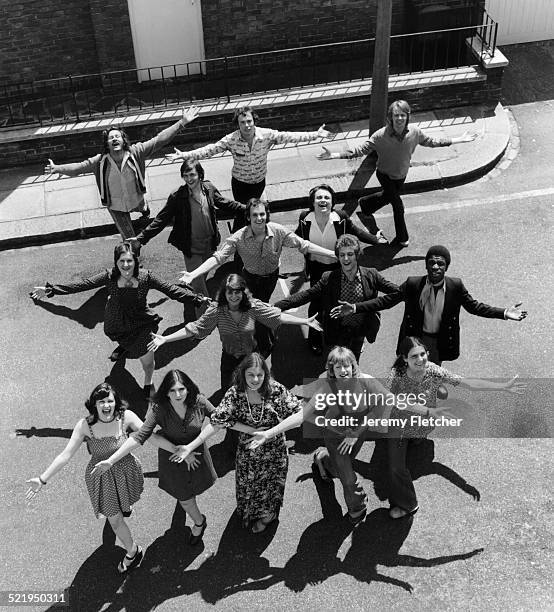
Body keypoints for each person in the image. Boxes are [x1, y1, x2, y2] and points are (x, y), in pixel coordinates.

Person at [248, 347, 442, 525]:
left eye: (346, 365)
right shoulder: (326, 387)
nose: (343, 370)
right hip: (335, 436)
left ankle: (323, 459)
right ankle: (357, 508)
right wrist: (268, 433)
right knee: (348, 478)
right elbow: (301, 416)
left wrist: (426, 412)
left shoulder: (366, 381)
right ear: (332, 369)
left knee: (342, 465)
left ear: (353, 365)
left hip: (357, 433)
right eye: (338, 366)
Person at [25, 382, 174, 573]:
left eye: (110, 401)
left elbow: (151, 437)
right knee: (115, 520)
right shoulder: (85, 426)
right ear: (94, 405)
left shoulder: (126, 417)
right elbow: (65, 455)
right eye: (101, 402)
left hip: (126, 472)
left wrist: (180, 450)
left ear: (116, 402)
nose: (106, 406)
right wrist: (42, 479)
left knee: (123, 507)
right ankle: (133, 551)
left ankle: (124, 509)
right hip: (101, 477)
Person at [30, 241, 208, 396]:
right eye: (121, 261)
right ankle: (123, 347)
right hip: (116, 320)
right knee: (121, 339)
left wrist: (198, 299)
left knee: (147, 360)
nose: (125, 265)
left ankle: (148, 382)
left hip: (140, 323)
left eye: (129, 260)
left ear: (135, 261)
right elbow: (83, 285)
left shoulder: (146, 277)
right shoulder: (109, 276)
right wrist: (51, 290)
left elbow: (171, 290)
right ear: (116, 262)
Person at [384, 336, 526, 519]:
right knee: (395, 467)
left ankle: (418, 435)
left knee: (419, 432)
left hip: (423, 423)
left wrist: (502, 386)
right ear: (404, 359)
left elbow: (469, 383)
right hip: (400, 423)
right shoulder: (397, 374)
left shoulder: (433, 370)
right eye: (414, 357)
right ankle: (408, 504)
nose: (420, 360)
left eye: (422, 354)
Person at [179, 199, 337, 356]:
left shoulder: (278, 231)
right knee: (255, 310)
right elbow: (218, 258)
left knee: (261, 307)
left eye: (262, 214)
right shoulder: (238, 238)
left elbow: (304, 245)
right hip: (250, 279)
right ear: (248, 217)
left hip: (270, 279)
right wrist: (194, 273)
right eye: (255, 215)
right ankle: (265, 341)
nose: (259, 218)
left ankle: (265, 334)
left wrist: (331, 253)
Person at [170, 353, 304, 533]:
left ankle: (268, 517)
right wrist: (190, 446)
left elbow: (300, 415)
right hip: (247, 452)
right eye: (251, 374)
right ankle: (251, 511)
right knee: (248, 485)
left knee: (271, 486)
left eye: (260, 375)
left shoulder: (276, 390)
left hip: (274, 451)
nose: (256, 379)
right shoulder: (235, 394)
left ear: (266, 374)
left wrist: (270, 433)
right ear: (243, 373)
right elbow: (217, 423)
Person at [335, 245, 528, 368]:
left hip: (438, 342)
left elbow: (476, 307)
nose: (435, 267)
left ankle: (424, 415)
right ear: (426, 266)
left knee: (431, 377)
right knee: (405, 373)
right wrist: (354, 307)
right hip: (415, 338)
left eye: (440, 264)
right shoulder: (413, 284)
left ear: (446, 267)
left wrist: (503, 312)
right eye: (431, 263)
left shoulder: (455, 286)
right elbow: (386, 301)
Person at [317, 99, 476, 247]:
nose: (399, 119)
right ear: (390, 118)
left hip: (401, 176)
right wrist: (334, 155)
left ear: (407, 117)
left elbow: (432, 142)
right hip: (385, 175)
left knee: (387, 196)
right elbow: (359, 150)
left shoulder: (415, 132)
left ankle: (365, 205)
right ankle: (402, 238)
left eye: (402, 115)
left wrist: (458, 140)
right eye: (396, 115)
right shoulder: (380, 136)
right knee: (398, 206)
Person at [91, 370, 222, 545]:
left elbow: (220, 419)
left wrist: (191, 446)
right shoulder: (159, 408)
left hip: (196, 455)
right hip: (173, 461)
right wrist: (111, 460)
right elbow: (140, 435)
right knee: (185, 499)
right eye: (172, 390)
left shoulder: (199, 401)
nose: (177, 395)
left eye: (181, 389)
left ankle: (188, 504)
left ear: (188, 389)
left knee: (192, 491)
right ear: (166, 392)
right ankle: (200, 522)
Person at [44, 106, 199, 239]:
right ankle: (134, 265)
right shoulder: (100, 162)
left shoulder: (136, 152)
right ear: (107, 144)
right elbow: (78, 168)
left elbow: (159, 140)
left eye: (117, 136)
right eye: (111, 138)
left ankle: (143, 209)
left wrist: (182, 123)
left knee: (141, 207)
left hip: (136, 198)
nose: (114, 139)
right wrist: (57, 168)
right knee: (130, 240)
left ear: (124, 140)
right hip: (116, 206)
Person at [148, 274, 322, 390]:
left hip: (251, 357)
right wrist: (165, 338)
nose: (234, 297)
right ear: (224, 293)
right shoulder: (216, 311)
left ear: (243, 293)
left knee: (255, 390)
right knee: (228, 391)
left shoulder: (253, 307)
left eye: (237, 293)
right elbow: (194, 328)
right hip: (230, 358)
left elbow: (277, 316)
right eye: (230, 293)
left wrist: (304, 321)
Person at [167, 105, 333, 221]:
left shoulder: (267, 135)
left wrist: (315, 135)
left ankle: (252, 229)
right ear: (237, 124)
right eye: (242, 123)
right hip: (240, 183)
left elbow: (290, 136)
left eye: (249, 121)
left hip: (259, 181)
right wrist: (184, 155)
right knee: (242, 211)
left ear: (254, 121)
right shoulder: (231, 139)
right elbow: (209, 150)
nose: (246, 126)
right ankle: (241, 234)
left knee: (254, 209)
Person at [130, 160, 246, 303]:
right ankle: (203, 319)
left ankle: (194, 289)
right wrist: (141, 238)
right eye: (185, 176)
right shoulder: (177, 196)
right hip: (191, 248)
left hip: (209, 244)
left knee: (201, 275)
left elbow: (225, 203)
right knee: (200, 289)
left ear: (200, 175)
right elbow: (161, 219)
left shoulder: (208, 188)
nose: (189, 179)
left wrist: (248, 208)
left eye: (192, 175)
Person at [275, 234, 399, 362]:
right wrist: (275, 306)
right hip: (339, 332)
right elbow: (306, 295)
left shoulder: (371, 275)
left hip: (361, 330)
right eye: (342, 255)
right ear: (338, 257)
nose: (346, 259)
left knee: (354, 363)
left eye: (350, 254)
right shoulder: (329, 278)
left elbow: (397, 292)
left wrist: (357, 308)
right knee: (339, 366)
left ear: (357, 255)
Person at [295, 184, 388, 354]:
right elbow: (295, 237)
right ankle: (315, 340)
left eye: (326, 198)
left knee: (339, 302)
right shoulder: (304, 219)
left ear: (332, 203)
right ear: (313, 202)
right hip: (317, 268)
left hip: (338, 268)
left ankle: (348, 336)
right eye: (319, 198)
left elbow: (356, 231)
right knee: (316, 304)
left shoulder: (341, 218)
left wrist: (374, 239)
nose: (323, 200)